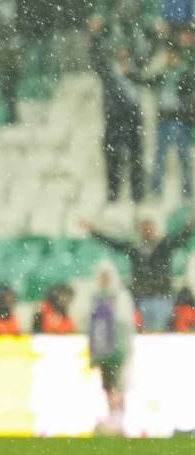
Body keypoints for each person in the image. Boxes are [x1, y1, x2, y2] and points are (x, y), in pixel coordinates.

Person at [84, 216, 194, 331]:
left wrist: (190, 226)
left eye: (149, 226)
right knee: (147, 330)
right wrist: (94, 233)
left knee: (158, 329)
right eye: (144, 227)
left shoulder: (162, 245)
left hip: (162, 296)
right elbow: (114, 243)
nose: (147, 230)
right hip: (143, 297)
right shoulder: (134, 247)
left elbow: (181, 237)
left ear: (154, 228)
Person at [91, 20, 146, 203]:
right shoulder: (108, 71)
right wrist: (96, 36)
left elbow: (145, 52)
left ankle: (136, 194)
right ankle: (113, 192)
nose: (122, 51)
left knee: (136, 157)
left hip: (132, 117)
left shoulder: (135, 69)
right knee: (112, 157)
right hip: (113, 117)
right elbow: (96, 58)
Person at [89, 261, 135, 435]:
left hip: (118, 350)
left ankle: (121, 420)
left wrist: (122, 349)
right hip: (102, 350)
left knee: (119, 385)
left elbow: (124, 324)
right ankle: (112, 418)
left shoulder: (120, 296)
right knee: (108, 386)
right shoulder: (95, 298)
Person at [142, 46, 194, 199]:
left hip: (180, 120)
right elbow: (147, 80)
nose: (170, 59)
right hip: (164, 119)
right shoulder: (163, 74)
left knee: (183, 157)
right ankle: (156, 190)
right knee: (159, 157)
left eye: (172, 57)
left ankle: (187, 192)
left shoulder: (185, 73)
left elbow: (188, 92)